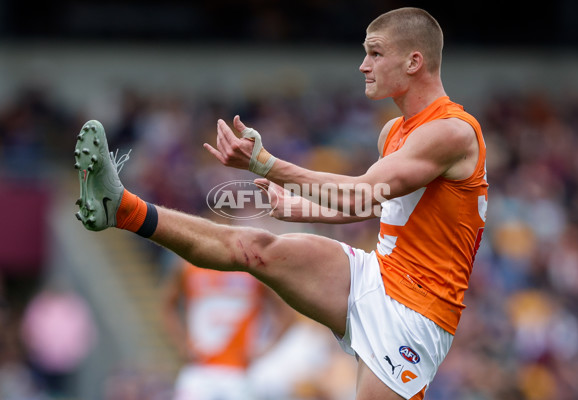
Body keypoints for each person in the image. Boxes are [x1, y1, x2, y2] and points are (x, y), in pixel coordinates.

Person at [73, 7, 488, 400]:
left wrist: (264, 163)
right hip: (375, 275)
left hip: (416, 313)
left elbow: (364, 191)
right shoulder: (395, 131)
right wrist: (301, 210)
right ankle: (122, 208)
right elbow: (378, 205)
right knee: (256, 248)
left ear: (414, 61)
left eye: (375, 53)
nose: (364, 65)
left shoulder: (451, 131)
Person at [161, 258, 296, 400]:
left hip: (240, 373)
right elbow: (167, 305)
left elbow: (287, 313)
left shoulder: (253, 268)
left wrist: (266, 349)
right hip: (199, 369)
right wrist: (181, 345)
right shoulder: (188, 265)